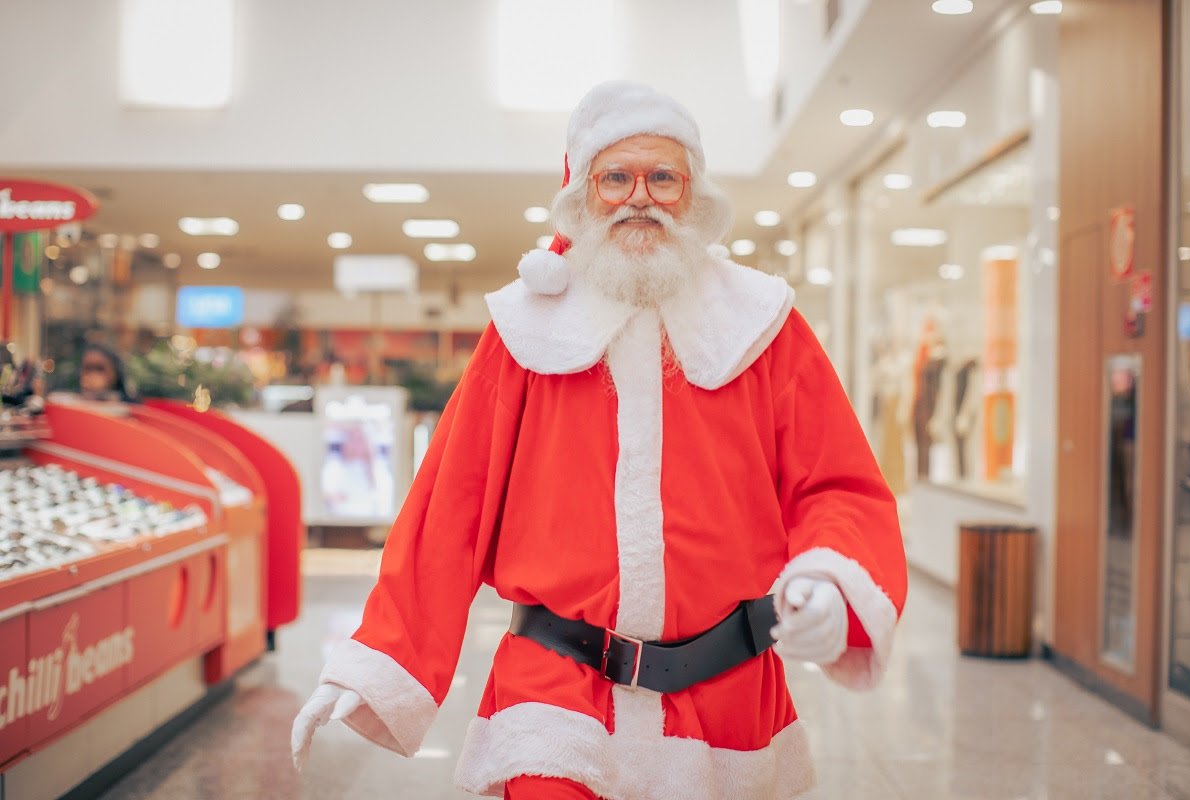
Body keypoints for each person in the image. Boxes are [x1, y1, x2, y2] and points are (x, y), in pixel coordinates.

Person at [291, 80, 907, 800]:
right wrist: (376, 659)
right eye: (616, 177)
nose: (639, 196)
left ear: (694, 193)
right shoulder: (525, 329)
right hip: (554, 685)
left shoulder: (763, 324)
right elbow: (448, 505)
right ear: (582, 192)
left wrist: (830, 580)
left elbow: (837, 483)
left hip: (725, 695)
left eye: (663, 178)